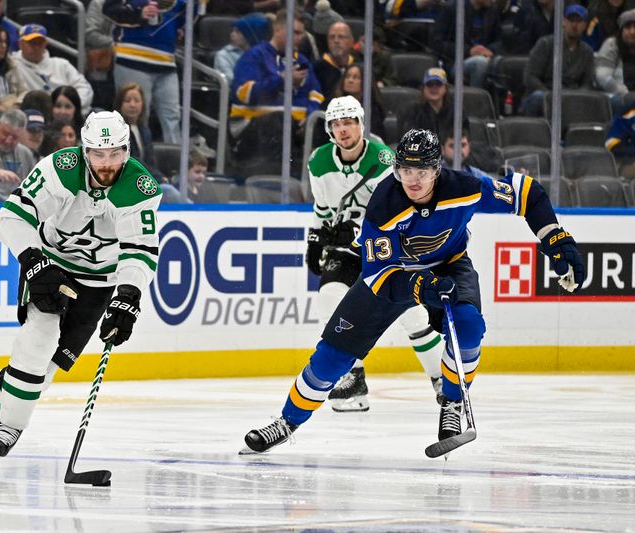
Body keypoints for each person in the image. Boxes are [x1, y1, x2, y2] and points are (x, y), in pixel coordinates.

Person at [241, 128, 586, 454]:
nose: (414, 180)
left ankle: (451, 403)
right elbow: (377, 276)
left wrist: (553, 236)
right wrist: (420, 286)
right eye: (406, 170)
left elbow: (527, 194)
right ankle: (286, 423)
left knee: (467, 325)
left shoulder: (464, 187)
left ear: (437, 169)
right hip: (393, 276)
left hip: (449, 265)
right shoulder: (384, 206)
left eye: (422, 171)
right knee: (333, 355)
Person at [0, 110, 162, 461]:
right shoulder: (60, 168)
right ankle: (10, 428)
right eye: (98, 153)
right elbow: (12, 216)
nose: (107, 163)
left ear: (127, 150)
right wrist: (33, 261)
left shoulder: (140, 188)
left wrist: (128, 296)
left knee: (45, 371)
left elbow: (139, 250)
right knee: (39, 340)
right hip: (50, 266)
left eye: (115, 154)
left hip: (99, 281)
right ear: (84, 150)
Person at [306, 96, 444, 412]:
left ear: (361, 125)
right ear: (330, 130)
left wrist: (357, 233)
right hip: (347, 251)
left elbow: (398, 215)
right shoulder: (318, 161)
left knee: (411, 315)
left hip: (387, 249)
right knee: (329, 300)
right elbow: (324, 209)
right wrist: (315, 238)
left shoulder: (385, 160)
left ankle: (442, 379)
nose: (343, 130)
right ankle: (353, 379)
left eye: (349, 122)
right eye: (337, 124)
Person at [230, 7, 324, 176]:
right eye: (295, 32)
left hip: (294, 129)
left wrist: (310, 114)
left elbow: (315, 93)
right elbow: (247, 95)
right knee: (280, 121)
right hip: (254, 128)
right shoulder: (254, 56)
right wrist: (283, 80)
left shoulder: (301, 60)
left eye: (301, 33)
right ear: (277, 29)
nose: (299, 38)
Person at [103, 0, 192, 144]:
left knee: (172, 116)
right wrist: (139, 14)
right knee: (135, 115)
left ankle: (174, 160)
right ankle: (133, 157)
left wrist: (200, 6)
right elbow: (109, 9)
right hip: (132, 58)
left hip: (166, 61)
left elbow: (185, 20)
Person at [521, 5, 595, 116]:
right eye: (571, 20)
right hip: (545, 93)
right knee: (538, 97)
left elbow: (588, 82)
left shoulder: (587, 51)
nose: (574, 25)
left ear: (585, 25)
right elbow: (530, 76)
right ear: (563, 22)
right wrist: (550, 95)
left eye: (579, 21)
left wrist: (578, 96)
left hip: (572, 97)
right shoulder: (546, 44)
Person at [11, 24, 94, 116]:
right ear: (20, 44)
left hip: (71, 115)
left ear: (46, 43)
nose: (36, 47)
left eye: (40, 43)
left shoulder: (62, 64)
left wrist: (69, 106)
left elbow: (85, 88)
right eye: (32, 43)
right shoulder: (13, 65)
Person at [595, 8, 635, 114]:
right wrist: (626, 93)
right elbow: (602, 77)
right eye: (627, 27)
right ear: (621, 30)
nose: (632, 32)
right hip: (615, 96)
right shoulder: (612, 45)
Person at [214, 12, 271, 84]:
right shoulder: (223, 56)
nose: (232, 34)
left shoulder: (266, 54)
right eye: (233, 30)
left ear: (249, 35)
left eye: (237, 32)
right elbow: (232, 81)